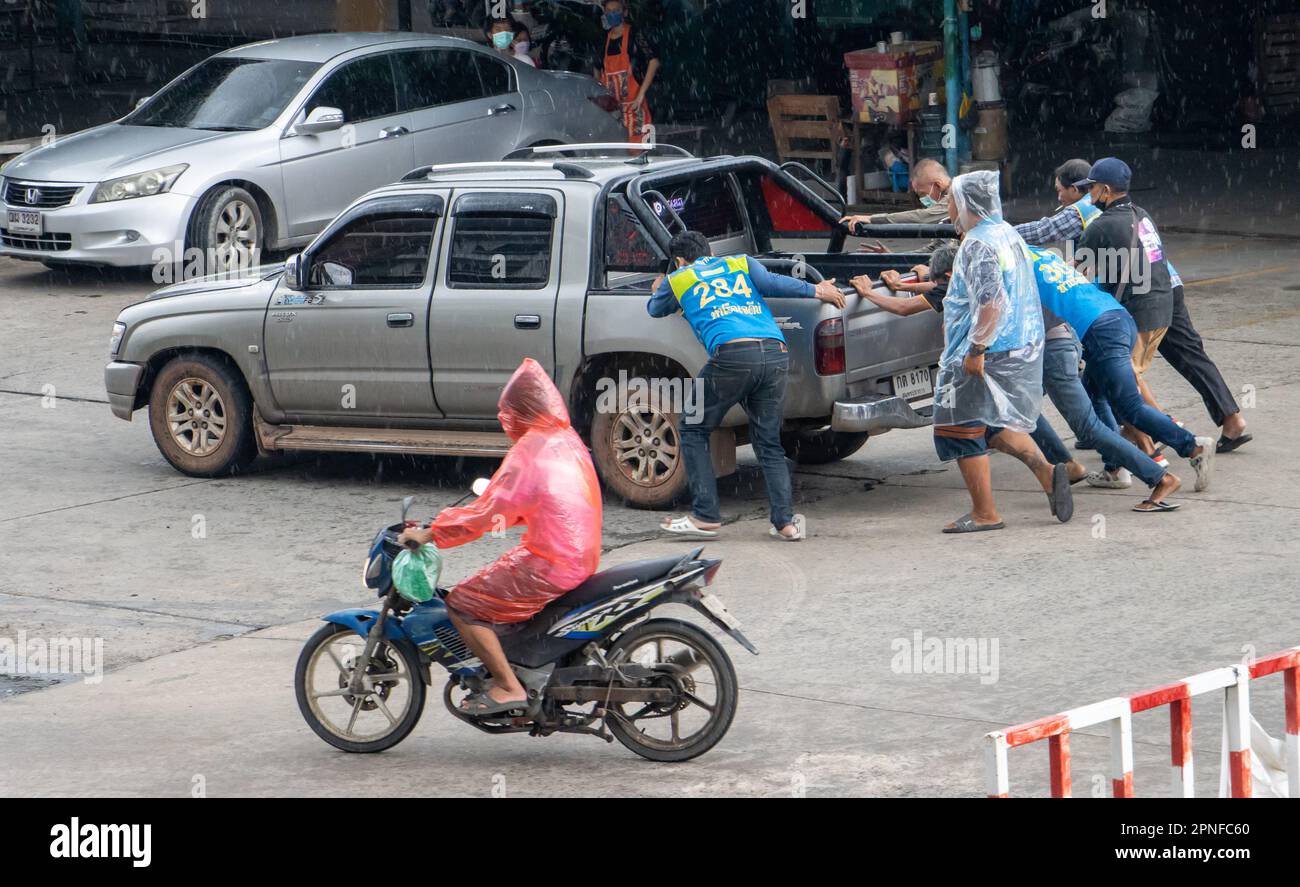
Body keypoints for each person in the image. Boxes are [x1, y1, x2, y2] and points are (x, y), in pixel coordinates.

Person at [398, 359, 602, 715]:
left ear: (521, 410)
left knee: (463, 604)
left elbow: (487, 514)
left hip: (551, 561)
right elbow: (522, 506)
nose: (504, 419)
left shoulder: (531, 451)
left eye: (506, 411)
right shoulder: (565, 439)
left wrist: (429, 533)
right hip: (577, 554)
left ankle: (509, 686)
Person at [647, 230, 846, 541]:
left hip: (733, 357)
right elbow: (775, 284)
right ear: (709, 250)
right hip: (775, 354)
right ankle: (785, 523)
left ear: (679, 260)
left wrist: (662, 284)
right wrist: (816, 290)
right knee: (768, 441)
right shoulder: (740, 263)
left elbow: (655, 309)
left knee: (693, 427)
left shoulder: (680, 277)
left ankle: (705, 516)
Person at [928, 170, 1071, 533]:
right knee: (989, 422)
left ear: (966, 203)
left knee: (956, 426)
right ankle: (1047, 471)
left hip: (983, 348)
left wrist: (976, 348)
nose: (946, 207)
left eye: (950, 199)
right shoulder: (1007, 234)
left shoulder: (978, 244)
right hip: (1016, 343)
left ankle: (985, 513)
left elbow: (990, 301)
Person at [1073, 158, 1173, 457]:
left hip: (1138, 314)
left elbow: (1072, 275)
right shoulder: (1141, 215)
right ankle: (1149, 440)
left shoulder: (1100, 226)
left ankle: (1165, 443)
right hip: (1161, 309)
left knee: (1121, 389)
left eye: (1091, 189)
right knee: (1118, 381)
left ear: (1104, 190)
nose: (1088, 195)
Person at [596, 0, 659, 142]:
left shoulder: (635, 35)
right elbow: (597, 69)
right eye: (609, 11)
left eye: (616, 10)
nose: (612, 14)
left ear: (625, 12)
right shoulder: (603, 40)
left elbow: (654, 61)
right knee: (615, 151)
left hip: (635, 108)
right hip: (613, 112)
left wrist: (641, 94)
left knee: (638, 150)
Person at [839, 158, 952, 229]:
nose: (923, 199)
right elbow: (934, 248)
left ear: (938, 185)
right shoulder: (946, 217)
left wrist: (872, 219)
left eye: (923, 194)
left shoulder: (956, 195)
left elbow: (922, 216)